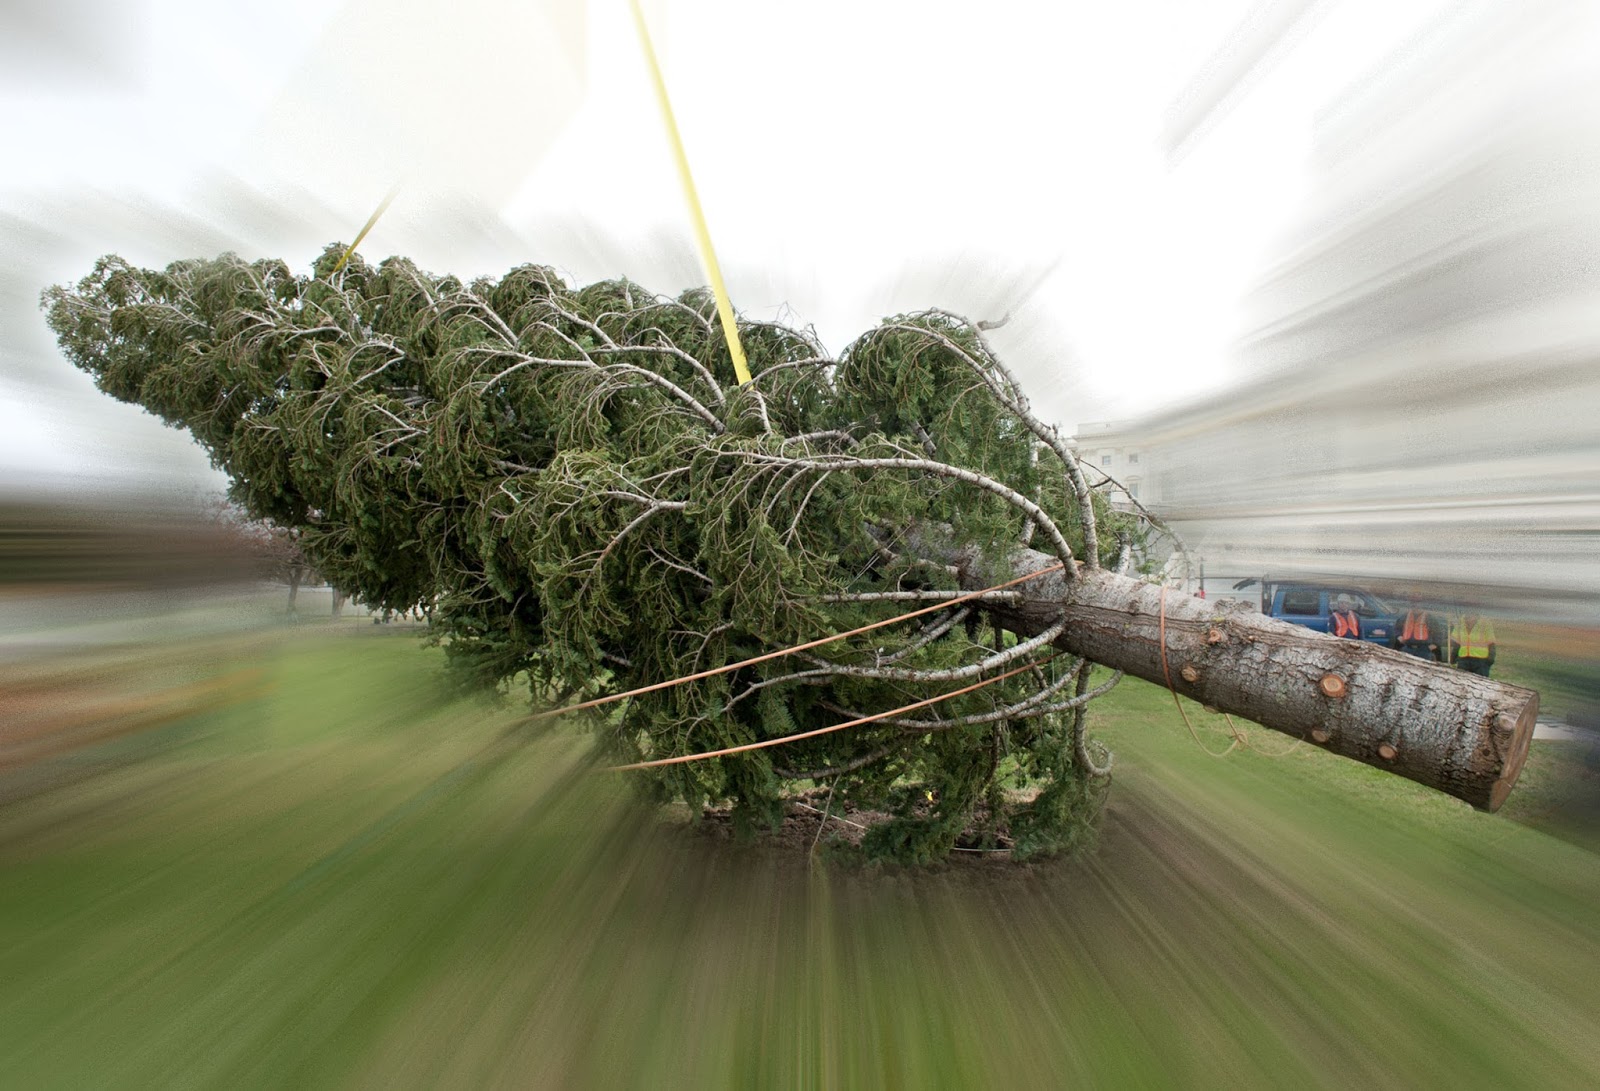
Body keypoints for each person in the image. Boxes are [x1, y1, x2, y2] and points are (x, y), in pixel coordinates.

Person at [1395, 592, 1440, 661]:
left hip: (1424, 650)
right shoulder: (1405, 616)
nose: (1416, 605)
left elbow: (1438, 632)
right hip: (1407, 648)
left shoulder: (1429, 618)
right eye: (1413, 603)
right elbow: (1397, 628)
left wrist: (1434, 645)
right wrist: (1399, 636)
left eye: (1418, 603)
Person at [1450, 611, 1497, 676]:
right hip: (1463, 660)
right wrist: (1453, 657)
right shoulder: (1460, 622)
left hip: (1481, 661)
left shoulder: (1485, 622)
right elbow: (1457, 642)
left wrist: (1490, 659)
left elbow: (1491, 642)